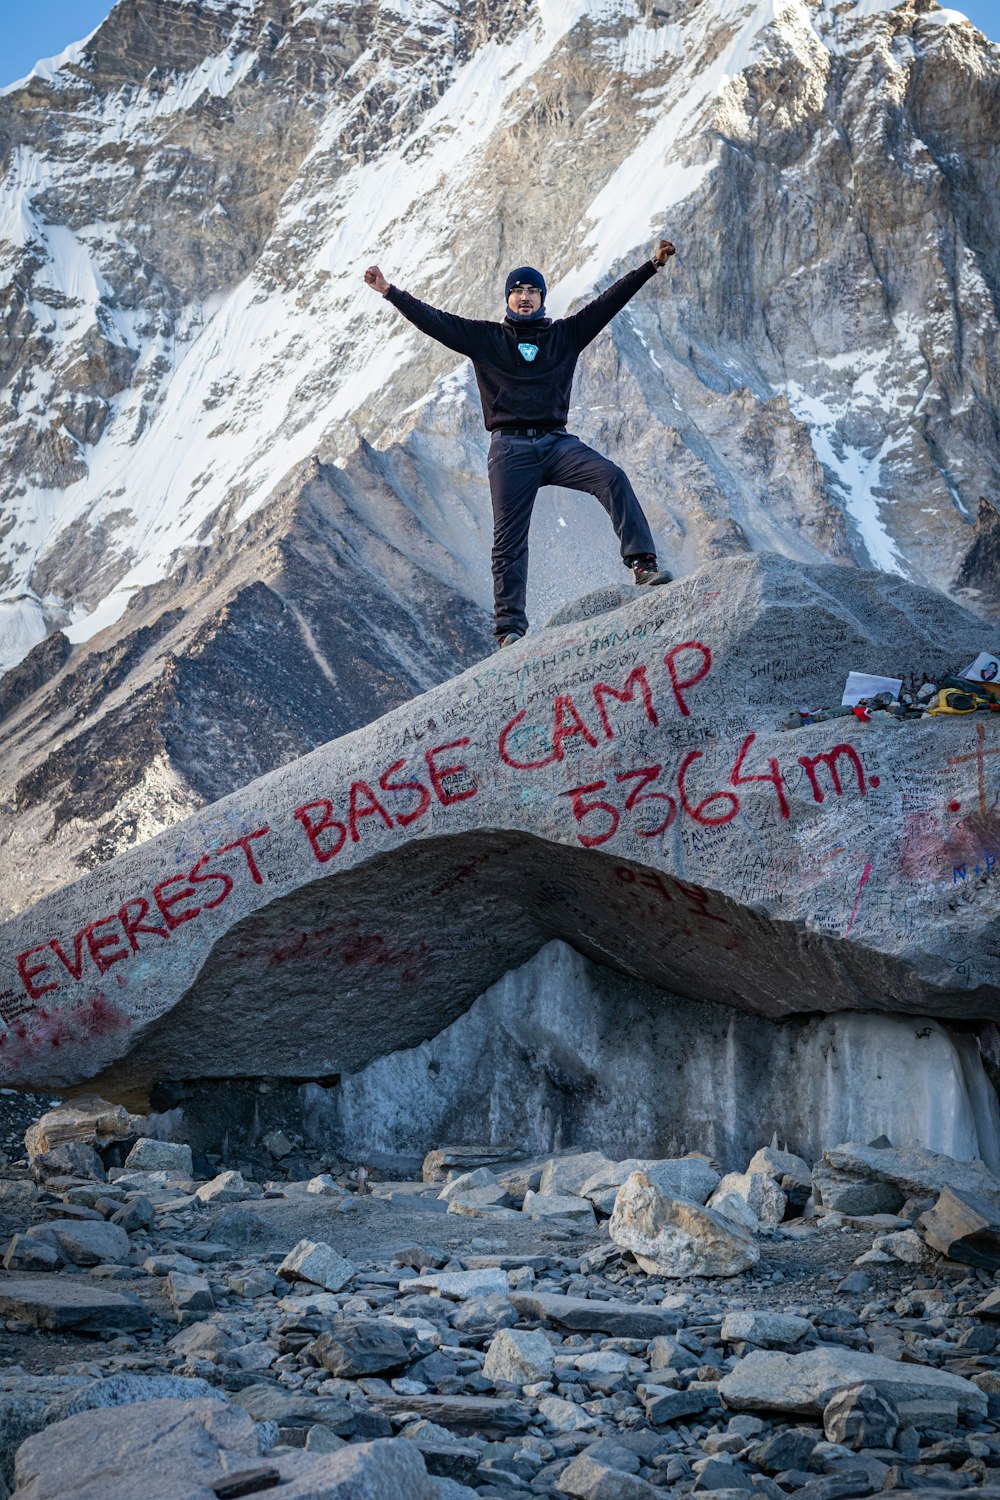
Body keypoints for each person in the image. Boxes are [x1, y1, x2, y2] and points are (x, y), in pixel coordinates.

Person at [364, 238, 676, 648]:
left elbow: (607, 303)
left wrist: (651, 266)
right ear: (507, 299)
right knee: (509, 538)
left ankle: (642, 564)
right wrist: (389, 291)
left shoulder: (565, 335)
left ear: (542, 299)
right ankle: (509, 629)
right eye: (517, 291)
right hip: (510, 449)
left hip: (557, 444)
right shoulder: (485, 338)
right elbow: (434, 321)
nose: (524, 297)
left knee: (612, 477)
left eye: (532, 291)